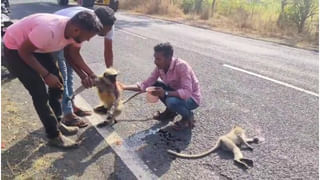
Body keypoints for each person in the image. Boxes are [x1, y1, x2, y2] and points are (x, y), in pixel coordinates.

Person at [3, 11, 102, 148]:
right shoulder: (48, 30)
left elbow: (72, 54)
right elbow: (24, 52)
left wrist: (89, 75)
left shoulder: (74, 32)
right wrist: (46, 75)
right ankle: (53, 136)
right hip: (16, 48)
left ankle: (57, 122)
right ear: (75, 30)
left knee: (57, 85)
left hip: (37, 48)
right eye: (88, 37)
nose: (88, 40)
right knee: (39, 92)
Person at [53, 6, 116, 127]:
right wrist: (84, 75)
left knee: (69, 75)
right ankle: (67, 115)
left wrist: (110, 74)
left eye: (108, 30)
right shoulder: (83, 25)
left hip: (69, 41)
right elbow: (69, 54)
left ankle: (70, 106)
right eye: (103, 30)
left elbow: (108, 51)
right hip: (57, 35)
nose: (106, 33)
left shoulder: (108, 24)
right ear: (97, 24)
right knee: (64, 75)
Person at [123, 42, 201, 130]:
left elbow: (187, 92)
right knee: (155, 85)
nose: (155, 62)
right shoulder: (160, 68)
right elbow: (146, 84)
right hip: (176, 93)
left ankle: (188, 116)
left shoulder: (182, 66)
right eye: (155, 58)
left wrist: (166, 93)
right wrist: (123, 87)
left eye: (158, 59)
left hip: (192, 99)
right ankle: (170, 112)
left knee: (171, 101)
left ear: (168, 58)